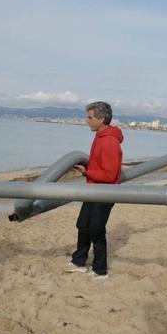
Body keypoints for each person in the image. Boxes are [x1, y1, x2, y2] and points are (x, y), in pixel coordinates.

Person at [64, 101, 124, 279]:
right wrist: (88, 170)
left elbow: (110, 175)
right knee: (83, 225)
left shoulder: (109, 141)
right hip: (93, 189)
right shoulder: (100, 136)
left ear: (102, 119)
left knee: (96, 230)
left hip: (105, 192)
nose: (86, 121)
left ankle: (100, 270)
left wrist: (87, 172)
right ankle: (78, 262)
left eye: (90, 117)